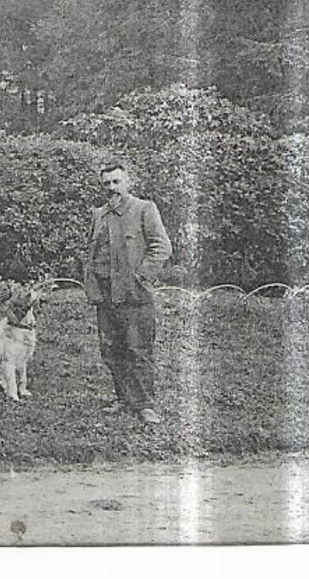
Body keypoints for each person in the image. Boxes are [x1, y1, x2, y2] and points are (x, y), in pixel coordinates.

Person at [84, 160, 172, 425]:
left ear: (127, 182)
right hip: (105, 295)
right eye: (106, 184)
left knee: (138, 349)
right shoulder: (99, 214)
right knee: (111, 350)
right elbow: (93, 252)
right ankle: (124, 400)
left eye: (116, 182)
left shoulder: (144, 209)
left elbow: (161, 247)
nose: (112, 188)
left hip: (134, 295)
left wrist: (141, 277)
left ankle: (145, 405)